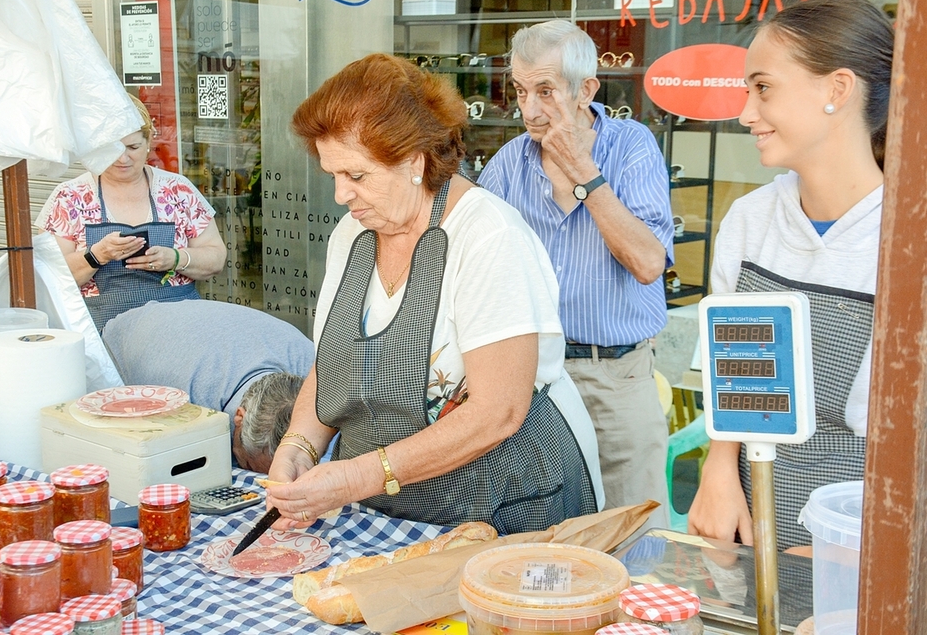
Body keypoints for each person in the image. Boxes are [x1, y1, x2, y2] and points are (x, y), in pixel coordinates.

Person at [263, 53, 604, 534]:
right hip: (390, 512)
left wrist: (357, 476)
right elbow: (335, 359)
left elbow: (497, 412)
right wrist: (299, 446)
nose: (341, 195)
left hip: (507, 502)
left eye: (357, 176)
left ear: (414, 161)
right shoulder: (352, 235)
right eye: (332, 175)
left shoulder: (488, 235)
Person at [688, 0, 893, 551]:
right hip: (747, 521)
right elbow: (725, 376)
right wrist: (717, 473)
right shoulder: (751, 221)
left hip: (859, 531)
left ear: (837, 89)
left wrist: (847, 537)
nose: (746, 113)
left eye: (763, 88)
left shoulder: (903, 239)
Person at [477, 20, 674, 528]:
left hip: (615, 377)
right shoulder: (507, 163)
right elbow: (471, 262)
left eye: (545, 91)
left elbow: (649, 263)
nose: (529, 109)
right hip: (532, 379)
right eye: (521, 91)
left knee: (632, 539)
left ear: (587, 89)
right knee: (543, 535)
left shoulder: (631, 147)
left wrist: (586, 174)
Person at [36, 96, 225, 332]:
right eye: (111, 149)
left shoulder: (179, 190)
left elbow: (216, 258)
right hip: (100, 329)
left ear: (148, 141)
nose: (123, 158)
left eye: (133, 147)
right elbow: (49, 276)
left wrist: (175, 259)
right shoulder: (69, 198)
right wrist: (97, 255)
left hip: (178, 327)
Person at [101, 299, 314, 473]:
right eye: (248, 465)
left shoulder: (314, 365)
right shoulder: (181, 396)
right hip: (125, 342)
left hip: (210, 332)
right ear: (239, 417)